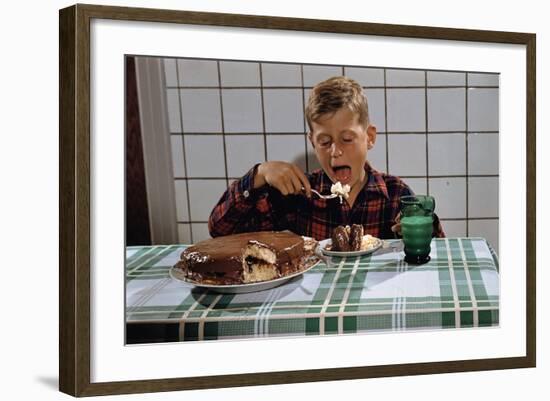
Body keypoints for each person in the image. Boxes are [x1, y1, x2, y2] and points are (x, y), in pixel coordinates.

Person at [208, 76, 444, 240]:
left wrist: (422, 227)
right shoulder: (298, 197)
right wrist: (258, 174)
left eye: (347, 139)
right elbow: (220, 229)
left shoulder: (394, 195)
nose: (335, 151)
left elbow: (437, 253)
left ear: (369, 137)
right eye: (325, 142)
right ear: (313, 142)